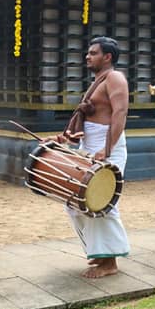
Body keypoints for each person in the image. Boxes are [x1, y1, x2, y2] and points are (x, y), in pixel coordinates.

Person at [56, 37, 131, 275]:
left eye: (93, 53)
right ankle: (100, 252)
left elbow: (120, 113)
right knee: (75, 204)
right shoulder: (98, 80)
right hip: (90, 145)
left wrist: (107, 149)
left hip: (108, 145)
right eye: (88, 53)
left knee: (101, 202)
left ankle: (110, 263)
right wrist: (66, 138)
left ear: (107, 57)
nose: (87, 56)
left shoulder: (115, 78)